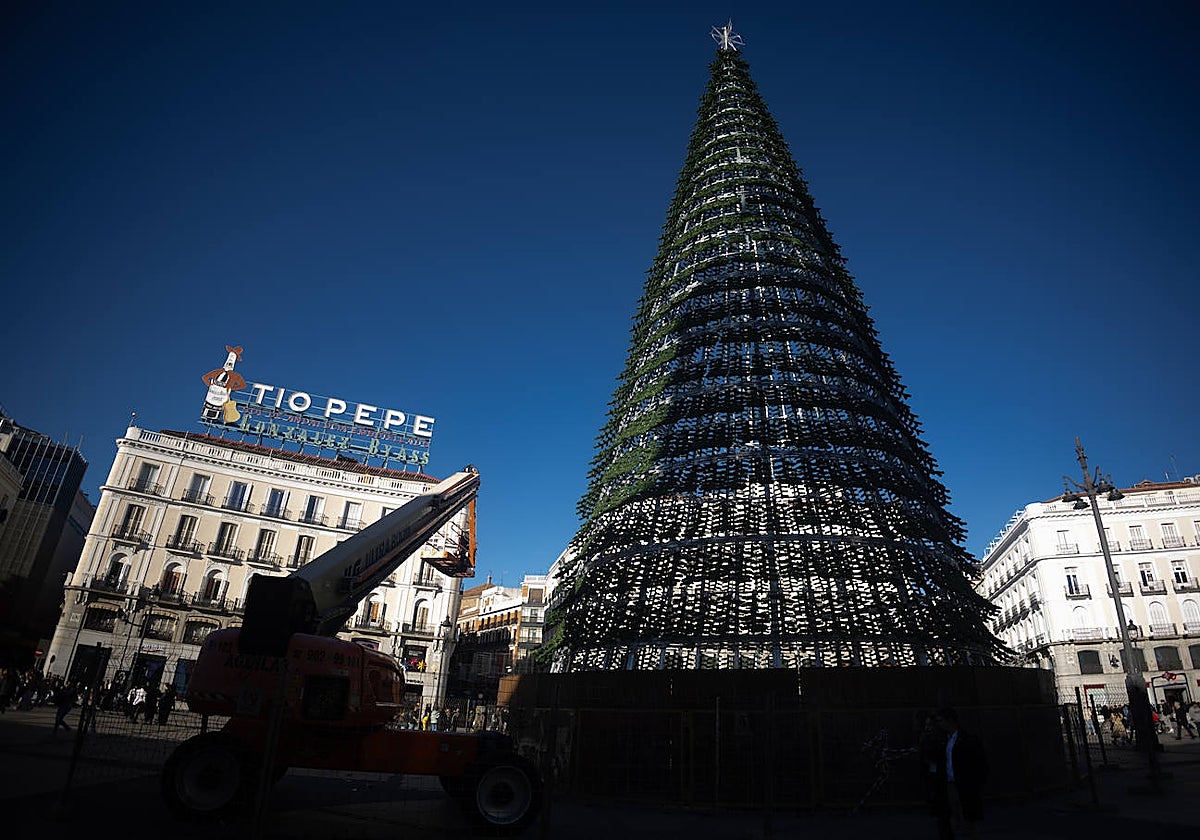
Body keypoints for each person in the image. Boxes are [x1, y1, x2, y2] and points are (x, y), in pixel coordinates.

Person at [931, 707, 988, 840]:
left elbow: (980, 763)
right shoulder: (944, 741)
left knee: (966, 821)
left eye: (941, 720)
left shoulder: (967, 740)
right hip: (951, 784)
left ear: (950, 721)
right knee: (955, 819)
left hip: (964, 784)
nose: (939, 724)